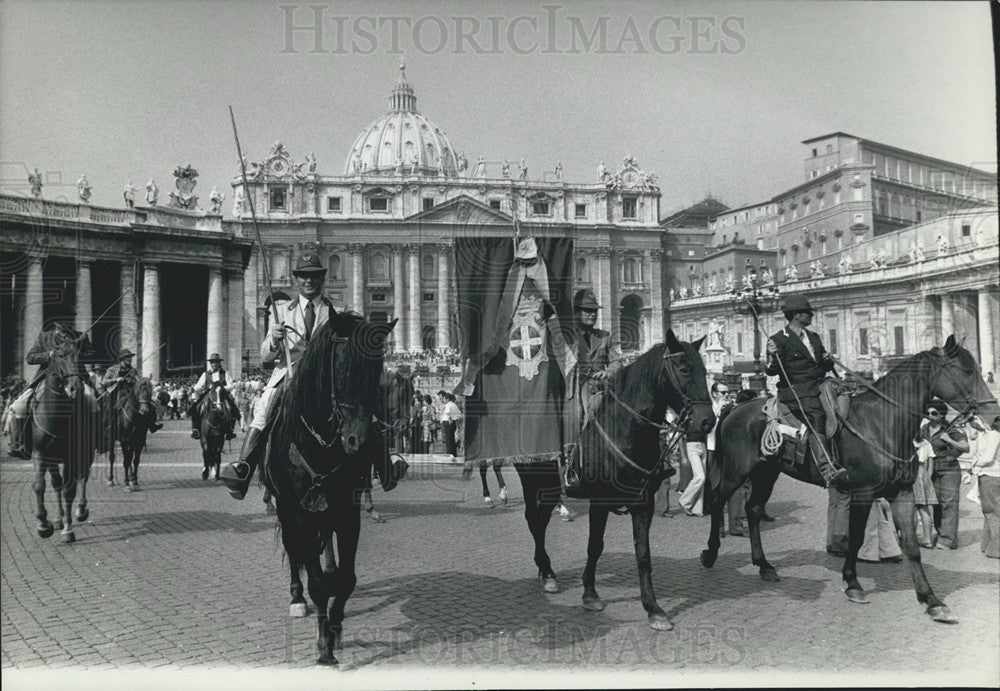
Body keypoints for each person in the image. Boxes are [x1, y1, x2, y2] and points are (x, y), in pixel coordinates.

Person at [220, 252, 336, 499]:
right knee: (264, 408)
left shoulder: (335, 311)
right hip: (288, 376)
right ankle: (244, 467)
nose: (309, 281)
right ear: (297, 279)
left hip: (324, 379)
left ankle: (381, 464)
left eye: (314, 276)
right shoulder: (281, 310)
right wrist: (273, 340)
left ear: (321, 279)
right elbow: (264, 357)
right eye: (304, 276)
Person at [765, 294, 849, 489]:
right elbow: (771, 371)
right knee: (816, 418)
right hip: (796, 392)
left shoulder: (814, 337)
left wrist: (828, 359)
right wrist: (771, 356)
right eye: (807, 313)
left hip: (819, 386)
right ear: (795, 315)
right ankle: (827, 469)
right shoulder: (778, 340)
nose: (811, 316)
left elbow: (822, 367)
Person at [562, 288, 624, 518]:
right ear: (576, 312)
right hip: (574, 389)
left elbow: (618, 361)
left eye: (594, 311)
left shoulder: (605, 337)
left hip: (601, 390)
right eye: (587, 311)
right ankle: (571, 471)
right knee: (577, 420)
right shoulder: (568, 337)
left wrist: (608, 372)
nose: (592, 315)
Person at [5, 322, 102, 458]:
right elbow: (30, 358)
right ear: (56, 327)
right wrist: (49, 354)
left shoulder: (80, 337)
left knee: (92, 401)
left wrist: (75, 352)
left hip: (74, 377)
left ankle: (97, 441)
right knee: (19, 405)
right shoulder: (44, 337)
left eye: (67, 326)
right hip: (47, 378)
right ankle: (19, 443)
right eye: (61, 327)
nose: (64, 330)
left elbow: (91, 354)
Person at [921, 399, 969, 549]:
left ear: (942, 415)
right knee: (936, 504)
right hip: (931, 469)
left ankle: (948, 540)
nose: (930, 415)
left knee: (949, 503)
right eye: (928, 413)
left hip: (949, 469)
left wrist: (949, 440)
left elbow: (966, 447)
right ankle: (941, 533)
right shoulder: (924, 429)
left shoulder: (950, 429)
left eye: (934, 413)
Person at [102, 348, 162, 435]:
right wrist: (116, 379)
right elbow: (104, 381)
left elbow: (138, 381)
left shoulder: (133, 370)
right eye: (127, 357)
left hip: (131, 391)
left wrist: (141, 380)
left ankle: (152, 424)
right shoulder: (113, 369)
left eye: (130, 357)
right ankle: (107, 426)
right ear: (122, 359)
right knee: (110, 408)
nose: (130, 359)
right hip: (117, 390)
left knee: (149, 404)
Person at [966, 415, 1000, 558]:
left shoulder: (993, 435)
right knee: (991, 511)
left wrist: (972, 466)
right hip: (990, 475)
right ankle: (987, 544)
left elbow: (987, 457)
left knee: (992, 511)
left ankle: (996, 548)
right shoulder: (988, 435)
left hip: (990, 476)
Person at [189, 353, 240, 441]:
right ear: (210, 363)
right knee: (195, 407)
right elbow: (199, 385)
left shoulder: (225, 373)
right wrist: (193, 389)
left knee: (231, 408)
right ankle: (196, 429)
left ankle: (230, 431)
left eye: (216, 362)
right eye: (212, 362)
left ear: (219, 363)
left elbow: (231, 385)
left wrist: (222, 388)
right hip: (208, 393)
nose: (214, 364)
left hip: (221, 394)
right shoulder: (206, 374)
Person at [438, 390, 461, 461]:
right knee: (452, 439)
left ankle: (449, 454)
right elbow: (459, 415)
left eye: (444, 399)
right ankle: (454, 454)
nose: (444, 400)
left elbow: (447, 413)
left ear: (447, 399)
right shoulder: (454, 405)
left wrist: (450, 418)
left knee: (448, 440)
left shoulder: (448, 405)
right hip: (453, 423)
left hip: (448, 423)